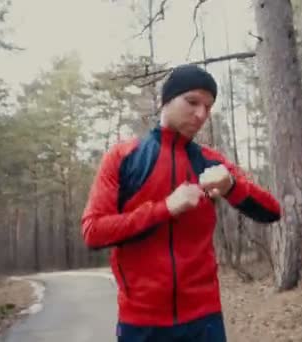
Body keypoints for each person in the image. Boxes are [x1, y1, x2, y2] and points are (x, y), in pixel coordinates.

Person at [81, 64, 281, 342]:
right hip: (141, 322)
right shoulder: (124, 157)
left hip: (205, 320)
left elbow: (272, 211)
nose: (201, 114)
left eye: (208, 107)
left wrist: (231, 186)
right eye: (192, 102)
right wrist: (165, 208)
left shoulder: (211, 162)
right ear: (166, 100)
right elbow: (93, 232)